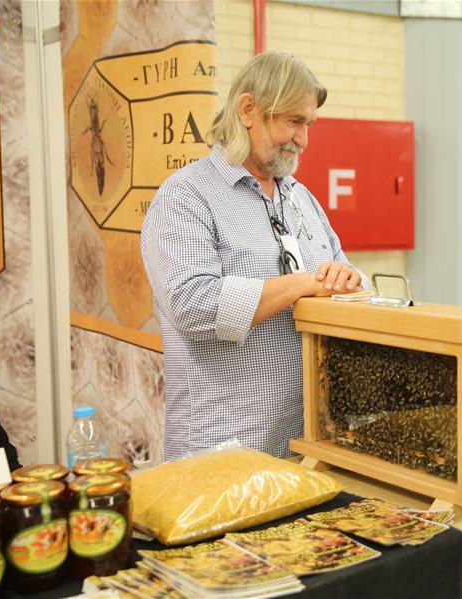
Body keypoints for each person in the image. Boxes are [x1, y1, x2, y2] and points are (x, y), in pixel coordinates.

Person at [141, 51, 363, 461]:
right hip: (223, 451)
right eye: (293, 122)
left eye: (308, 124)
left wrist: (348, 280)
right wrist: (304, 284)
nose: (304, 139)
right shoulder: (186, 197)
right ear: (247, 110)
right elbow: (192, 306)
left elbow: (349, 276)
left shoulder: (301, 198)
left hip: (305, 445)